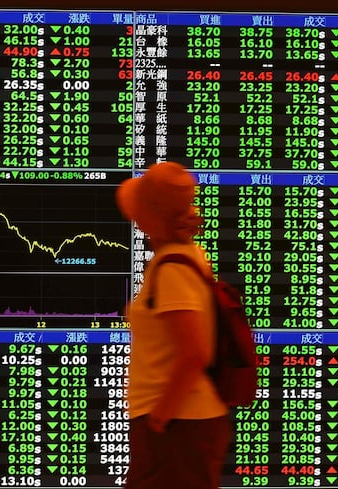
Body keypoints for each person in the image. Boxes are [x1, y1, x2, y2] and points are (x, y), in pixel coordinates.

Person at [115, 161, 231, 489]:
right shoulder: (189, 254)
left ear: (151, 217)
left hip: (179, 425)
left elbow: (195, 353)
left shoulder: (172, 269)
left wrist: (159, 418)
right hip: (185, 424)